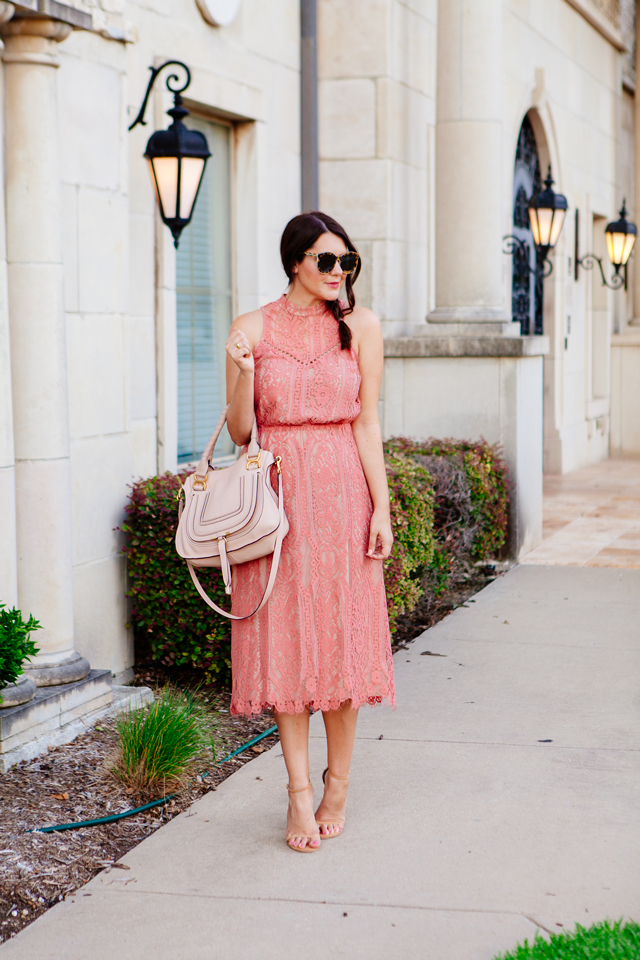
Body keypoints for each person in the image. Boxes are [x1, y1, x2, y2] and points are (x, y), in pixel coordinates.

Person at [225, 211, 395, 852]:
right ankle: (297, 792)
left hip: (344, 495)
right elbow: (242, 432)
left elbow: (368, 422)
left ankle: (339, 783)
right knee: (286, 645)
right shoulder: (252, 326)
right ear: (295, 261)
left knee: (342, 645)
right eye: (326, 261)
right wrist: (245, 370)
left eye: (346, 261)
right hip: (276, 499)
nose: (338, 273)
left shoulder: (361, 326)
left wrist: (381, 509)